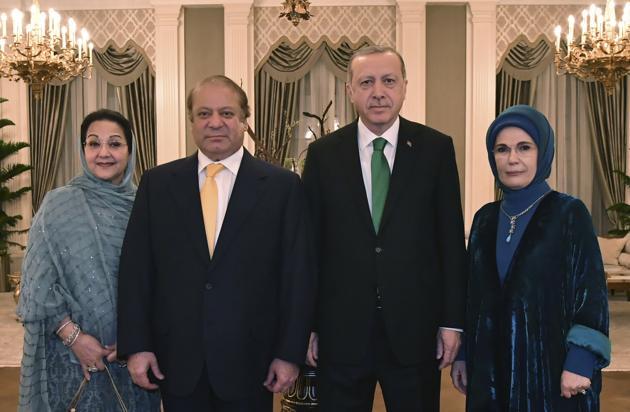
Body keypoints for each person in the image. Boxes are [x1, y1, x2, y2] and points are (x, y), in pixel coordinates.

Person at [116, 75, 315, 412]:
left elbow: (297, 276)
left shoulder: (282, 187)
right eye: (204, 114)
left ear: (243, 120)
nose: (215, 123)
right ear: (192, 121)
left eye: (226, 113)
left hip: (253, 363)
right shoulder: (158, 185)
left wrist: (289, 353)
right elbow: (136, 271)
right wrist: (137, 347)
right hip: (176, 361)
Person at [301, 45, 467, 411]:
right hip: (340, 331)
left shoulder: (436, 149)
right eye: (367, 82)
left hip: (415, 330)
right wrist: (308, 325)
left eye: (389, 81)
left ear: (404, 86)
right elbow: (309, 248)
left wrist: (452, 322)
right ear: (350, 91)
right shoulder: (324, 155)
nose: (378, 92)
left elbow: (451, 242)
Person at [450, 105, 610, 411]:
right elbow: (471, 296)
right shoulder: (485, 219)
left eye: (524, 147)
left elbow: (591, 293)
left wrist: (580, 359)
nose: (512, 159)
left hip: (551, 369)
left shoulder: (569, 213)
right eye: (502, 149)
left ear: (543, 152)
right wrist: (464, 355)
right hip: (491, 370)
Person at [16, 109, 160, 411]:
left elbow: (162, 283)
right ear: (83, 150)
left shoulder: (147, 206)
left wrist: (137, 340)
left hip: (133, 357)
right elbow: (36, 286)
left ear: (131, 150)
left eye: (115, 144)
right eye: (94, 143)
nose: (103, 153)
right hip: (69, 357)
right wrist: (76, 339)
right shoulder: (59, 203)